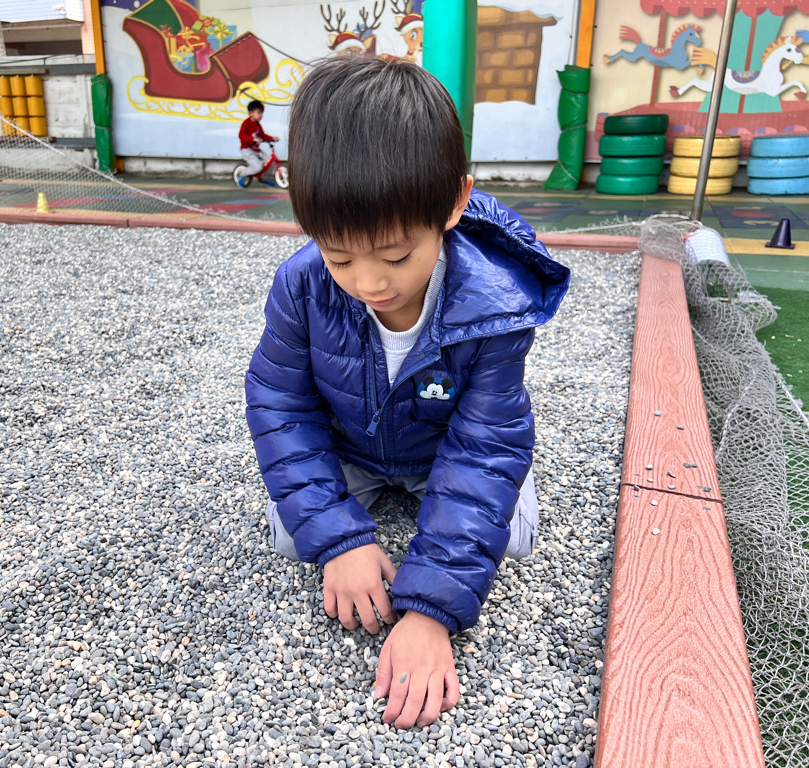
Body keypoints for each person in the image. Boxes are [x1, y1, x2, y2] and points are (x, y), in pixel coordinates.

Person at [244, 57, 570, 730]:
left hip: (442, 450)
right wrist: (340, 541)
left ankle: (442, 507)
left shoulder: (497, 305)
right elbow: (281, 405)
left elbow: (485, 444)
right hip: (352, 448)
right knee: (291, 537)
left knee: (512, 534)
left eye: (396, 257)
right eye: (339, 256)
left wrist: (429, 612)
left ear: (453, 203)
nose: (369, 282)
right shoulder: (300, 285)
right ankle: (377, 511)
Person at [237, 99, 278, 186]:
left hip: (256, 150)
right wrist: (253, 139)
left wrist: (272, 138)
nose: (261, 115)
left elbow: (263, 135)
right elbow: (241, 135)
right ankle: (244, 173)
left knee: (269, 162)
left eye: (261, 113)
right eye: (258, 112)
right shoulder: (246, 123)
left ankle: (262, 177)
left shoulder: (258, 125)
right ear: (251, 113)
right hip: (247, 150)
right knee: (257, 167)